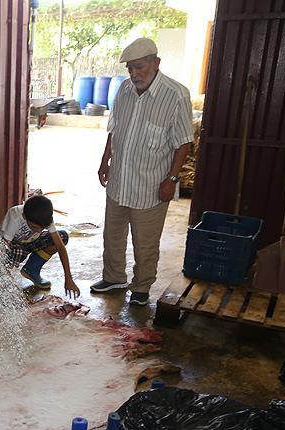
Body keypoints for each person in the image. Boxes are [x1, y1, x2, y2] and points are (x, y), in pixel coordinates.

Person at [90, 38, 193, 306]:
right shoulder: (124, 89)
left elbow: (183, 141)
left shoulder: (176, 94)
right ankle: (113, 277)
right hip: (120, 179)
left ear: (155, 63)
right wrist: (105, 160)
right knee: (112, 235)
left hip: (151, 184)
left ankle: (142, 286)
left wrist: (172, 179)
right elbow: (114, 128)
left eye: (139, 68)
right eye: (130, 69)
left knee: (145, 242)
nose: (134, 74)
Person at [0, 195, 80, 298]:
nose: (38, 230)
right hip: (13, 245)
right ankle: (0, 279)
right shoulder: (16, 216)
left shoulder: (44, 217)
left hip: (31, 242)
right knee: (15, 253)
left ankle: (32, 269)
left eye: (42, 228)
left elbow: (60, 247)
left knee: (62, 237)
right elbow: (4, 246)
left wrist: (68, 278)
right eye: (34, 227)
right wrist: (10, 282)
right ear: (24, 216)